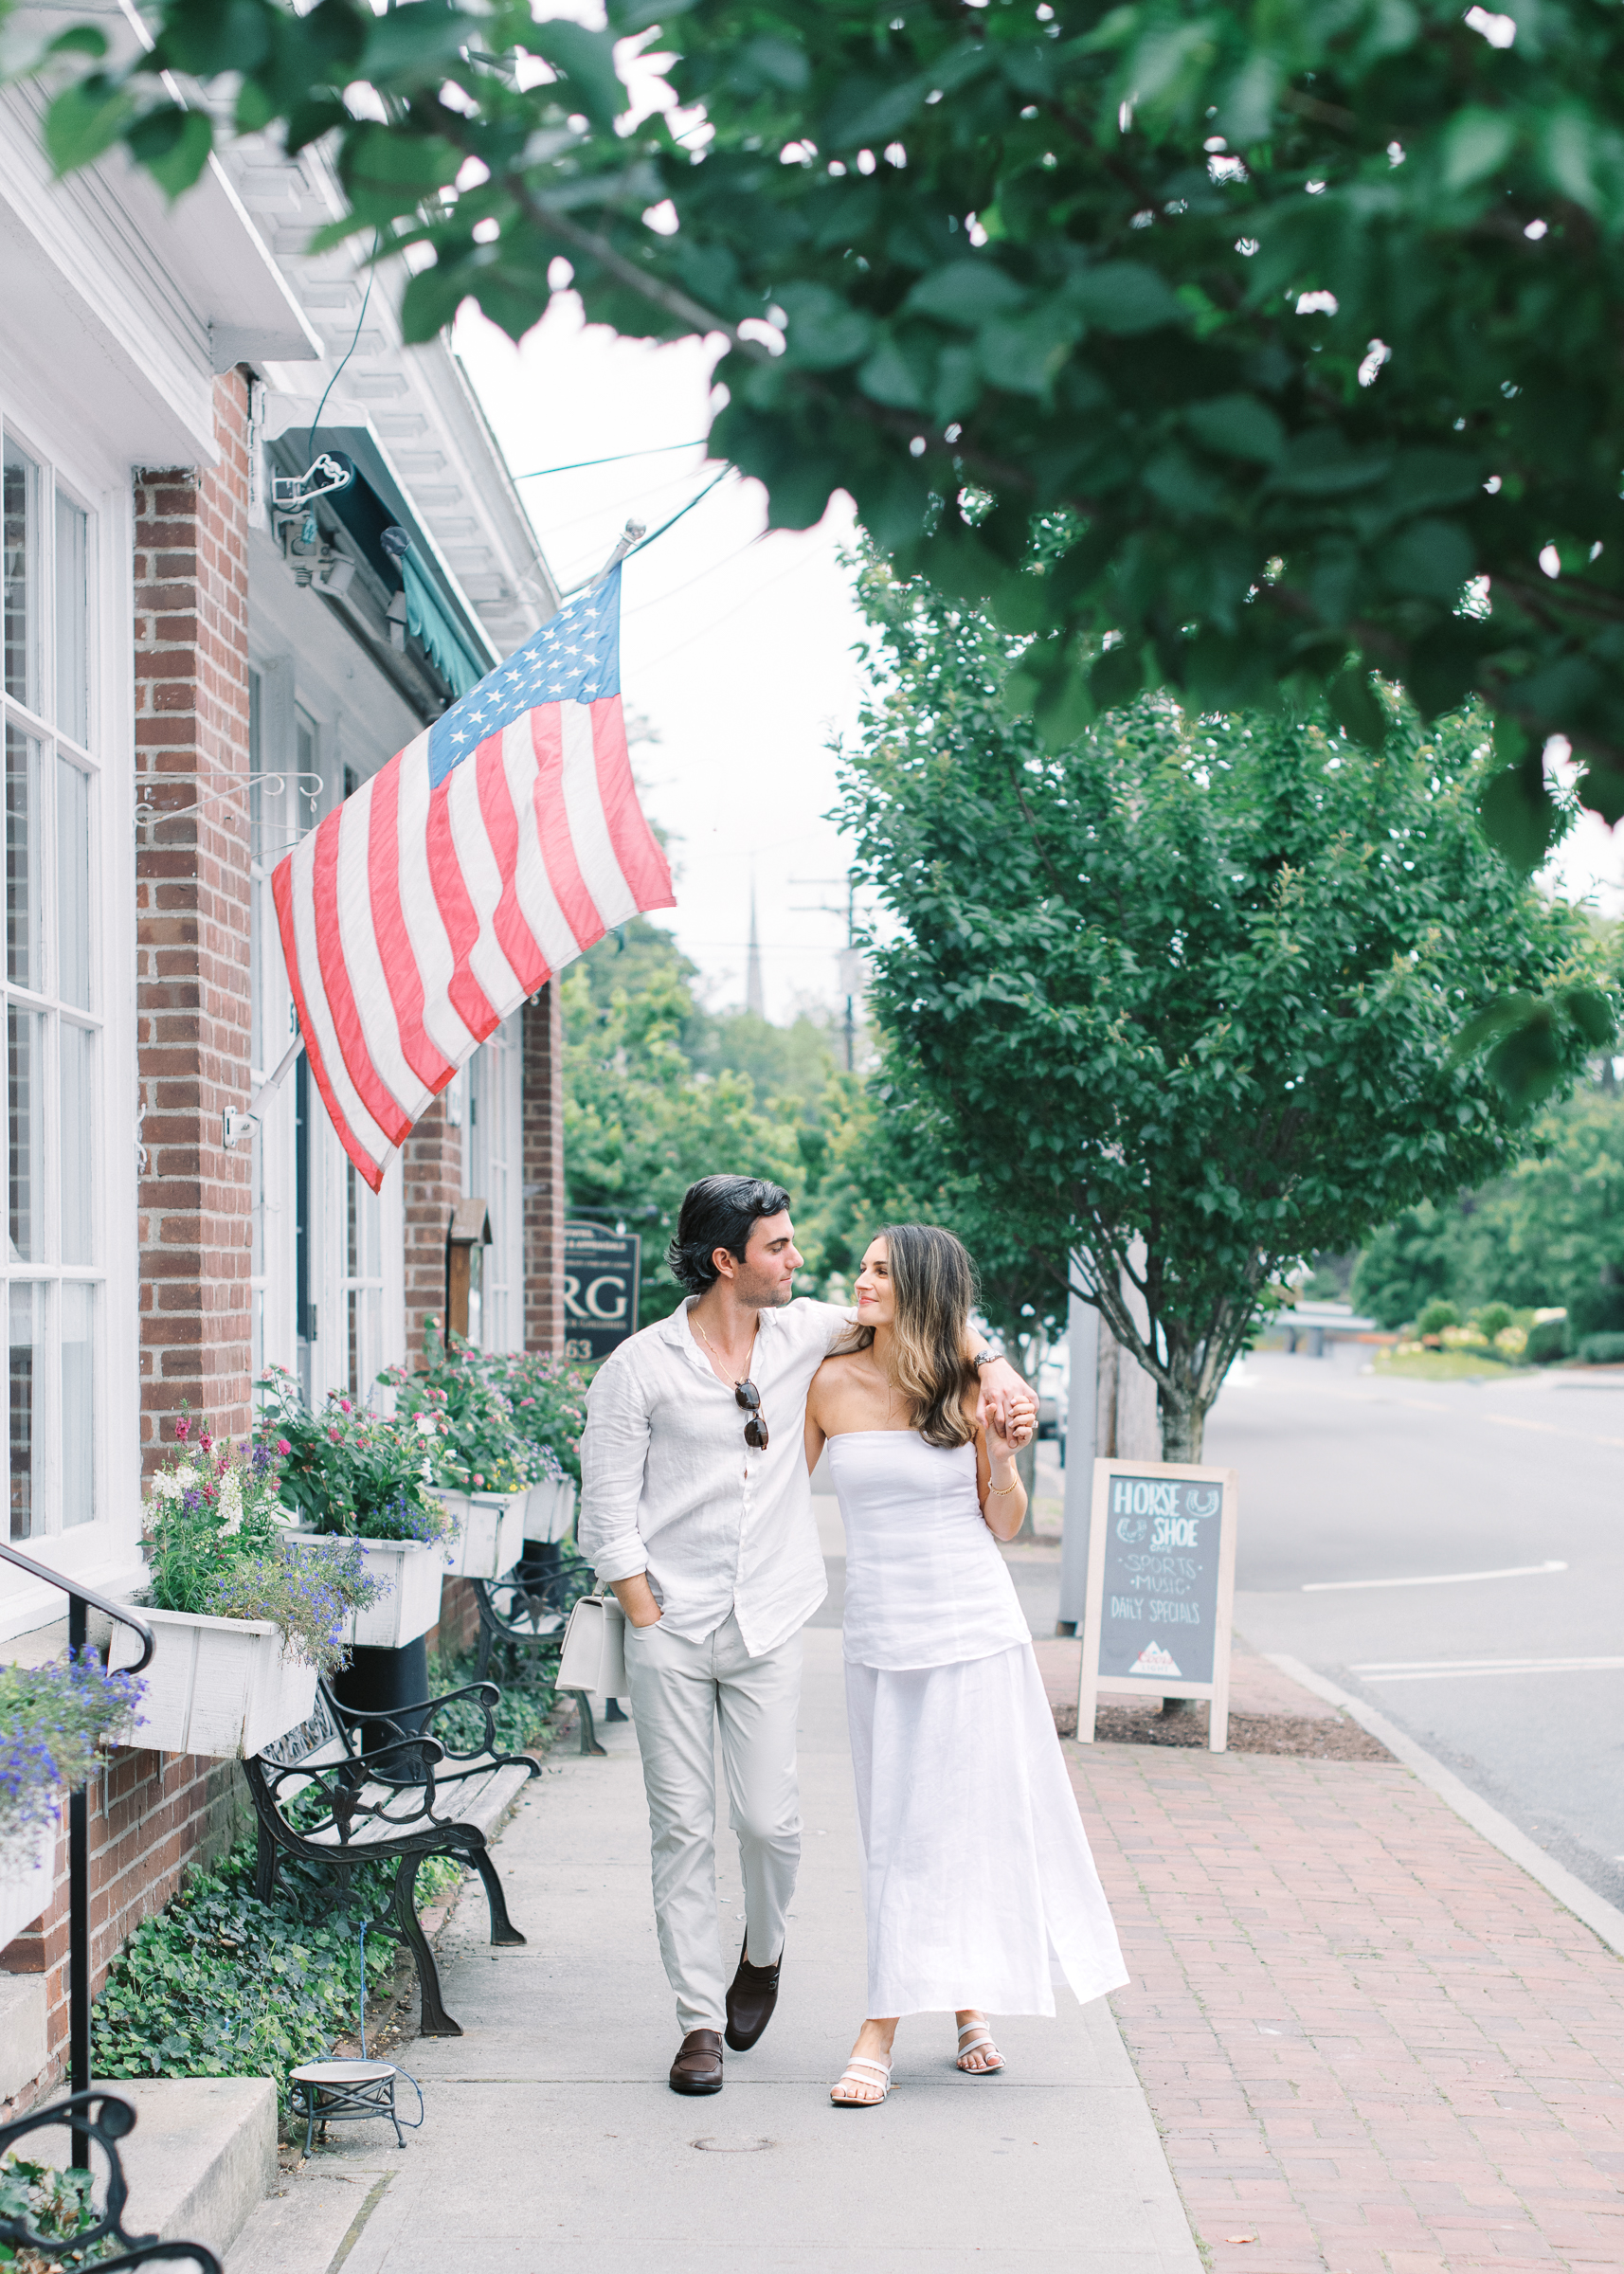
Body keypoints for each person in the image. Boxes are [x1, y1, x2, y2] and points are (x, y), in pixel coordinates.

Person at [577, 1175, 1037, 2098]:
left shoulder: (806, 1332)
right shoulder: (637, 1367)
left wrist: (997, 1371)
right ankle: (697, 2023)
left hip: (769, 1621)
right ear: (725, 1262)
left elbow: (931, 1309)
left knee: (767, 1824)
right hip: (666, 1624)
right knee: (681, 1827)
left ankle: (765, 1944)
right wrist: (643, 1612)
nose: (800, 1259)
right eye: (778, 1247)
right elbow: (605, 1512)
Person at [804, 1223, 1128, 2108]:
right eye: (862, 1268)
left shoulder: (971, 1388)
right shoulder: (827, 1381)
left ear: (919, 1288)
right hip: (878, 1634)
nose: (860, 1281)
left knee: (958, 1821)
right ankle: (956, 2002)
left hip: (975, 1627)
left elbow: (1007, 1523)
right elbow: (769, 1498)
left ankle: (895, 2021)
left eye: (879, 1271)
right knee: (899, 1827)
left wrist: (1003, 1455)